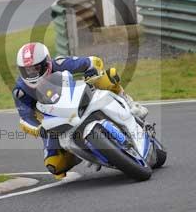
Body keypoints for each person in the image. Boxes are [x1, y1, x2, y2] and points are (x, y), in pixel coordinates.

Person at [12, 42, 148, 179]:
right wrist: (39, 129)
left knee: (109, 76)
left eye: (36, 68)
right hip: (54, 121)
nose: (32, 73)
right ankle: (84, 153)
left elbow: (93, 62)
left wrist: (93, 76)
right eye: (27, 70)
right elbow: (25, 118)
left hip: (79, 97)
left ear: (47, 62)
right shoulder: (21, 91)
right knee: (54, 165)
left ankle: (130, 104)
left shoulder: (60, 63)